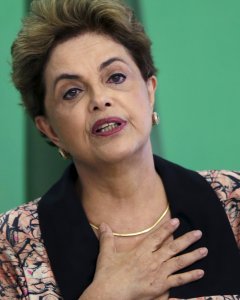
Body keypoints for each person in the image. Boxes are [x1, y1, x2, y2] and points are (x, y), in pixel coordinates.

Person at [0, 0, 239, 299]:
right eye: (72, 92)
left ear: (150, 91)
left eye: (115, 77)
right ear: (49, 129)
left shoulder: (234, 199)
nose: (100, 99)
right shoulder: (11, 243)